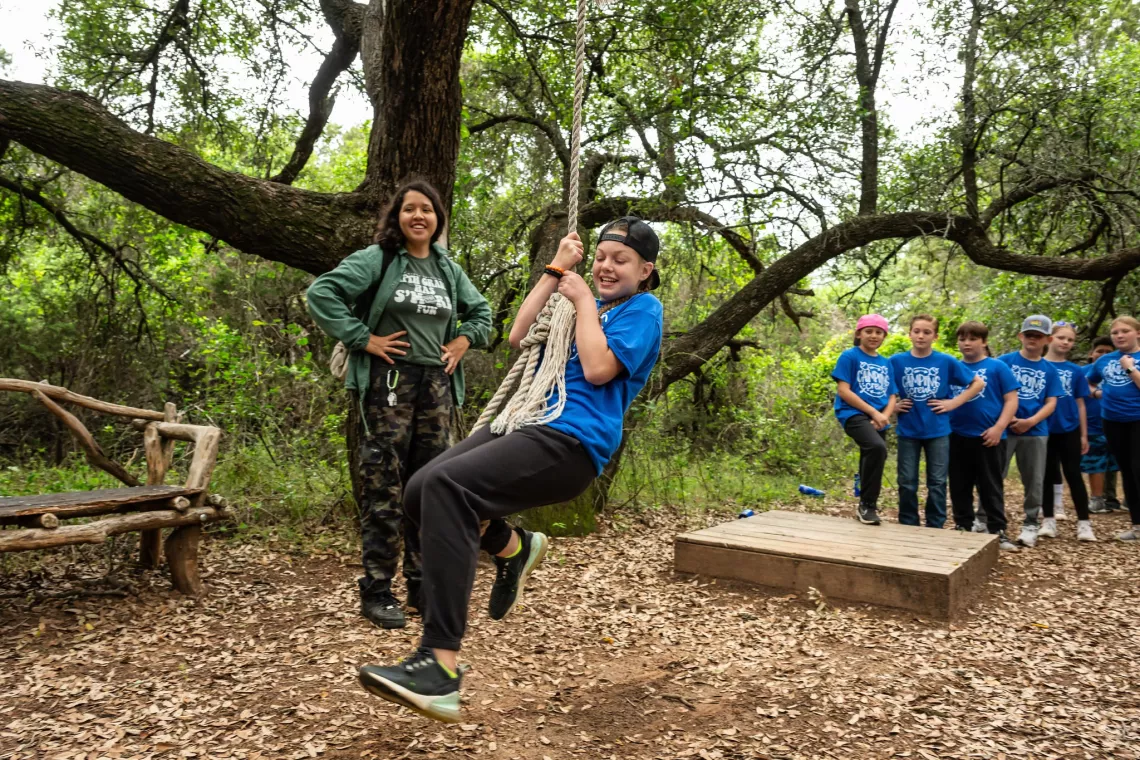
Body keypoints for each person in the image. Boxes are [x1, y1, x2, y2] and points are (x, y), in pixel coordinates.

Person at [357, 217, 664, 722]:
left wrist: (584, 299)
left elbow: (598, 369)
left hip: (572, 442)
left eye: (621, 260)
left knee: (446, 487)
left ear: (645, 270)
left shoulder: (642, 311)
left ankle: (439, 666)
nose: (607, 267)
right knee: (418, 492)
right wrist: (556, 272)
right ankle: (512, 548)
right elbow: (520, 334)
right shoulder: (577, 302)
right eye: (603, 257)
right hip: (526, 421)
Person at [307, 180, 492, 630]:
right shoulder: (380, 260)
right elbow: (322, 294)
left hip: (437, 390)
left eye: (426, 210)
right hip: (389, 384)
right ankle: (377, 589)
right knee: (385, 489)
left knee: (430, 490)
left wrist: (464, 340)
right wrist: (361, 338)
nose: (418, 216)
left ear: (437, 219)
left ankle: (421, 587)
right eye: (409, 209)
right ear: (397, 217)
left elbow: (483, 314)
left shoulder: (448, 269)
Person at [889, 315, 983, 528]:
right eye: (917, 331)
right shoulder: (896, 361)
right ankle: (908, 523)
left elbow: (977, 384)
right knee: (907, 482)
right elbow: (883, 390)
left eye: (927, 332)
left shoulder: (946, 361)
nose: (921, 336)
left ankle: (935, 525)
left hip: (938, 430)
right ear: (910, 333)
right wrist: (892, 408)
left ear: (935, 336)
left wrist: (952, 403)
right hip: (908, 430)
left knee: (938, 482)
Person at [947, 321, 1020, 550]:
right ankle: (963, 528)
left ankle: (997, 529)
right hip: (956, 435)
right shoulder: (953, 367)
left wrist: (999, 427)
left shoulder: (997, 367)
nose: (966, 343)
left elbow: (1011, 400)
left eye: (972, 339)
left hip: (989, 436)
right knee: (959, 485)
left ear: (984, 342)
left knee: (991, 485)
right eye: (962, 339)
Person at [997, 315, 1062, 548]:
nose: (1032, 339)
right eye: (1028, 335)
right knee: (995, 475)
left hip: (1036, 431)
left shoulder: (1049, 369)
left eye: (1038, 336)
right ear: (1020, 336)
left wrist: (1030, 421)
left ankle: (1031, 524)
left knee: (1034, 480)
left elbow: (1051, 402)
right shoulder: (1004, 362)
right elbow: (995, 394)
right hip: (1005, 429)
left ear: (1048, 339)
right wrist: (1008, 419)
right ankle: (987, 521)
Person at [831, 314, 898, 526]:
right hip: (852, 413)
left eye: (879, 332)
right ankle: (867, 505)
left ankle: (864, 499)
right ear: (859, 333)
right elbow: (843, 390)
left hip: (879, 416)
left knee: (872, 455)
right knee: (877, 448)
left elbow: (892, 396)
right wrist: (874, 413)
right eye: (869, 331)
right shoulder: (849, 356)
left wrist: (884, 416)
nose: (874, 335)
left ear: (884, 336)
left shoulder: (886, 363)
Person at [1085, 316, 1140, 541]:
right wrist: (1098, 393)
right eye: (1116, 332)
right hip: (1112, 421)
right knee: (1126, 471)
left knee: (1138, 470)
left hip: (1138, 419)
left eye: (1125, 331)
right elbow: (1088, 383)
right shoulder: (1104, 360)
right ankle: (1137, 526)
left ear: (1137, 333)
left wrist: (1129, 369)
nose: (1119, 335)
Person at [1040, 321, 1095, 541]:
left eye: (1070, 340)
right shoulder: (1039, 366)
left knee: (1074, 474)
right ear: (1050, 338)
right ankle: (1048, 521)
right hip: (1044, 428)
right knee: (1046, 475)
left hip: (1069, 428)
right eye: (1062, 337)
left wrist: (1083, 434)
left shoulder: (1075, 371)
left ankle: (1084, 524)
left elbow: (1081, 403)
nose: (1066, 342)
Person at [1084, 337, 1122, 514]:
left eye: (1108, 352)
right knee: (1096, 464)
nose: (1103, 355)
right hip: (1092, 426)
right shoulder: (1083, 373)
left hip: (1118, 424)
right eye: (1099, 351)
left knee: (1117, 464)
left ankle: (1114, 499)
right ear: (1091, 353)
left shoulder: (1119, 371)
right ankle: (1097, 499)